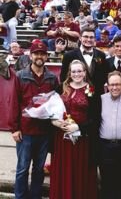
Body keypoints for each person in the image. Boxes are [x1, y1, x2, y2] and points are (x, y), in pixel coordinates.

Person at [11, 41, 59, 199]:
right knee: (23, 168)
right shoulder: (20, 76)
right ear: (31, 56)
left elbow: (57, 103)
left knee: (39, 169)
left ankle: (35, 196)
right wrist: (15, 128)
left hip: (44, 131)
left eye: (42, 53)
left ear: (46, 56)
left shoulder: (52, 78)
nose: (39, 56)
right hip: (25, 131)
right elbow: (14, 103)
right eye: (36, 53)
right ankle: (20, 196)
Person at [50, 60, 98, 199]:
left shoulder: (92, 90)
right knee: (63, 170)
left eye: (79, 71)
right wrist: (55, 122)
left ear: (85, 73)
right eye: (74, 71)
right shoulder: (61, 88)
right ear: (69, 73)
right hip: (62, 138)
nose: (76, 74)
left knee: (78, 171)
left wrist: (78, 127)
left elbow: (95, 118)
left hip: (81, 140)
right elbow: (52, 111)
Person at [99, 71, 121, 199]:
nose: (115, 87)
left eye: (118, 84)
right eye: (112, 84)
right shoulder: (101, 100)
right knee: (106, 182)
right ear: (107, 86)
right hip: (105, 148)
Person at [61, 27, 109, 96]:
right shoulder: (69, 55)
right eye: (86, 37)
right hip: (75, 96)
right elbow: (63, 77)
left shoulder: (101, 55)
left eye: (91, 37)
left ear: (95, 39)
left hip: (97, 95)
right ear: (80, 38)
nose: (89, 39)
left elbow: (104, 75)